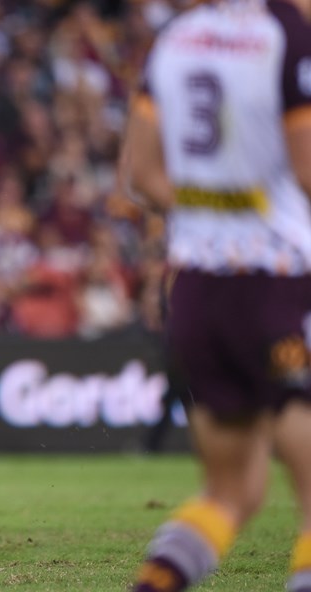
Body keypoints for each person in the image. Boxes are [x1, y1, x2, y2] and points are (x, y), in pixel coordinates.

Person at [122, 1, 311, 590]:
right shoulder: (287, 33)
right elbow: (307, 168)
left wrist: (215, 215)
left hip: (198, 288)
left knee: (232, 493)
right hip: (278, 282)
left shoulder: (178, 36)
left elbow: (140, 174)